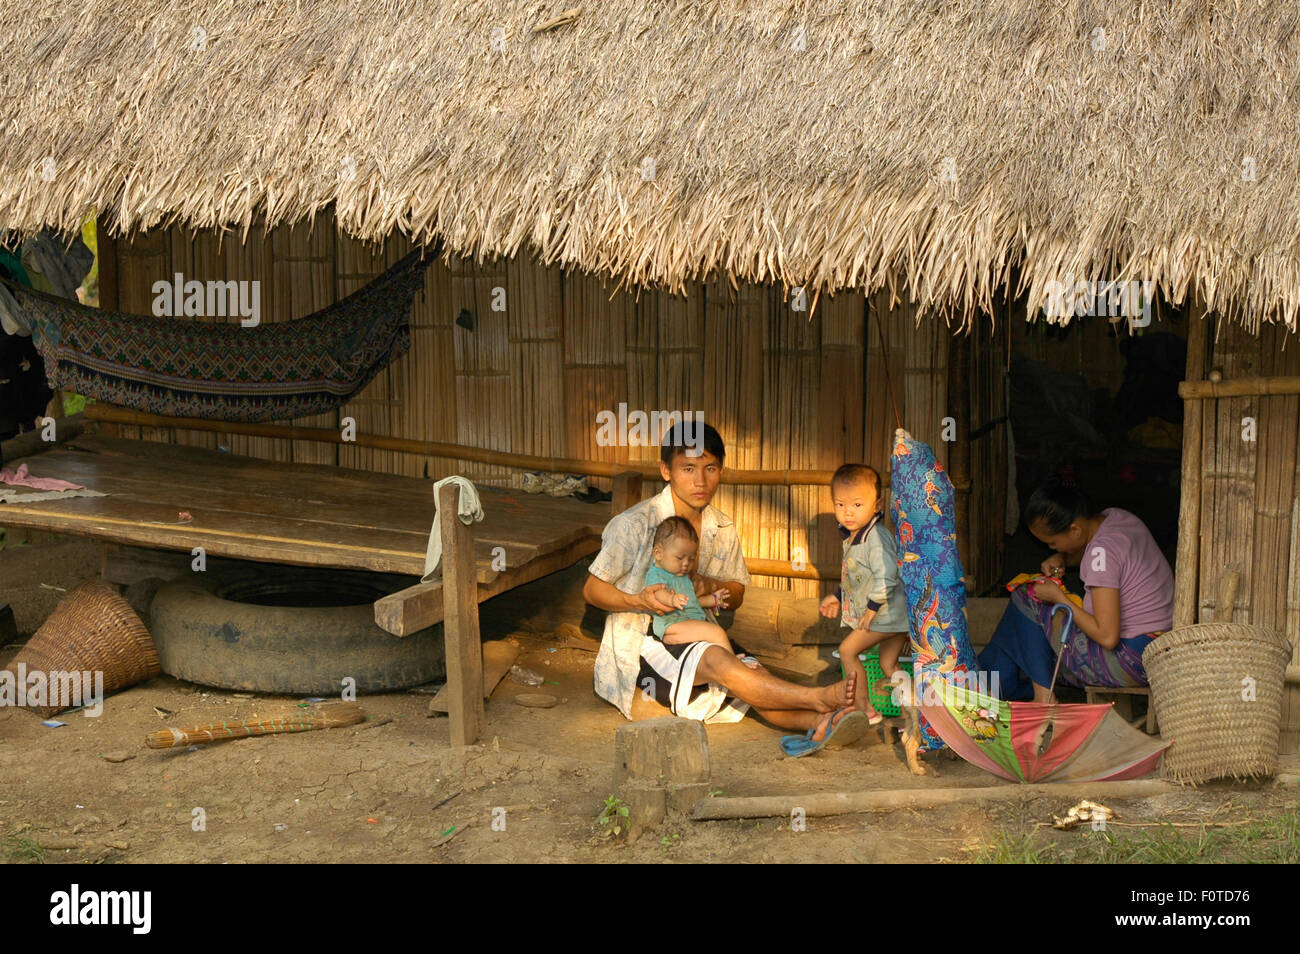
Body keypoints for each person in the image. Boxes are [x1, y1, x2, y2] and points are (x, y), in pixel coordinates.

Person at [585, 422, 857, 738]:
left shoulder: (722, 527)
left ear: (721, 470)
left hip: (700, 627)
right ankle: (817, 698)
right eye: (688, 468)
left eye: (710, 468)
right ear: (666, 470)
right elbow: (592, 590)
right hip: (645, 638)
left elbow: (737, 593)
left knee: (752, 672)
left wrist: (712, 586)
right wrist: (638, 600)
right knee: (721, 662)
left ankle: (818, 723)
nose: (700, 481)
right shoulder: (634, 524)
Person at [978, 477, 1174, 702]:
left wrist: (1059, 597)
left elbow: (1108, 636)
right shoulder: (1117, 518)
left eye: (1052, 543)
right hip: (1159, 650)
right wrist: (1063, 556)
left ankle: (1040, 698)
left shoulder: (1101, 555)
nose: (1050, 548)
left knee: (1027, 599)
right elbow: (1102, 554)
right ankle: (991, 687)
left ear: (1075, 530)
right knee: (1023, 643)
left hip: (1131, 660)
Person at [819, 464, 909, 725]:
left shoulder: (877, 538)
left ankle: (865, 709)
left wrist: (870, 610)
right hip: (893, 617)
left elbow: (887, 577)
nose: (848, 512)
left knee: (847, 651)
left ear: (877, 505)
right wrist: (837, 596)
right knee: (889, 665)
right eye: (840, 504)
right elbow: (858, 577)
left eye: (858, 505)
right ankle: (914, 715)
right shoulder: (853, 537)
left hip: (883, 615)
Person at [645, 516, 735, 654]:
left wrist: (712, 599)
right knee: (716, 633)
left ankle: (730, 661)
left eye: (691, 559)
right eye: (680, 558)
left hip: (686, 625)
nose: (686, 563)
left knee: (711, 644)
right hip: (672, 625)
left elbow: (691, 601)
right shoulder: (657, 574)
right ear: (658, 553)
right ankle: (733, 662)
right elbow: (657, 593)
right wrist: (671, 599)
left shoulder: (682, 576)